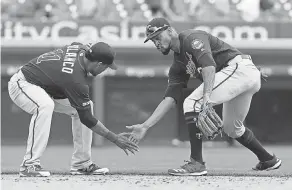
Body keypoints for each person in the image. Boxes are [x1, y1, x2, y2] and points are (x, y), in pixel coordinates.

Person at [126, 17, 281, 176]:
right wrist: (146, 125)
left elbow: (209, 66)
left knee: (192, 103)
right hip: (241, 75)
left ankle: (197, 162)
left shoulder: (190, 38)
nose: (156, 43)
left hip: (239, 69)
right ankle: (268, 159)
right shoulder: (177, 66)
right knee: (231, 128)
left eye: (157, 37)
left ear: (171, 31)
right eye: (153, 41)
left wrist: (206, 96)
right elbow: (169, 98)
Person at [8, 42, 139, 177]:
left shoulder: (81, 49)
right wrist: (115, 138)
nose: (105, 70)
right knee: (45, 105)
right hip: (22, 83)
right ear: (99, 64)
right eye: (106, 67)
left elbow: (77, 44)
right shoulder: (76, 80)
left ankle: (81, 164)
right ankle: (29, 165)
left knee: (83, 106)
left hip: (44, 87)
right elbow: (87, 119)